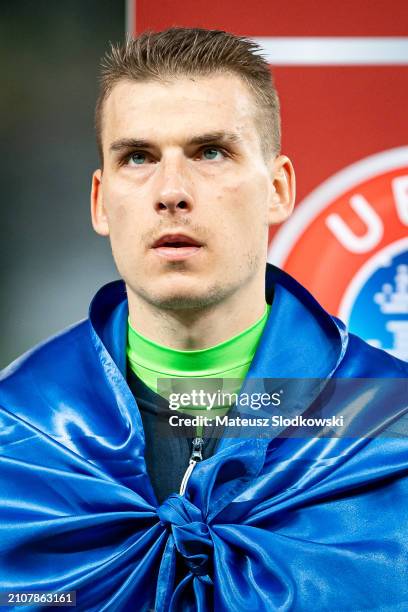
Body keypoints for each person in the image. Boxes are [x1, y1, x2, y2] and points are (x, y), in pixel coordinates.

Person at [0, 28, 407, 612]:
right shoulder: (16, 433)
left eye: (210, 152)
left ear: (278, 188)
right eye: (138, 157)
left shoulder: (393, 422)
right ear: (100, 201)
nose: (171, 192)